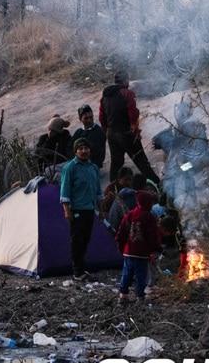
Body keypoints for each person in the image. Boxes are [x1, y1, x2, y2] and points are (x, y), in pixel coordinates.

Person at [100, 73, 157, 183]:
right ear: (125, 81)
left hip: (111, 133)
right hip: (125, 132)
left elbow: (102, 117)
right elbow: (133, 114)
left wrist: (107, 131)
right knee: (140, 160)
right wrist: (135, 131)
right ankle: (156, 184)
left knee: (116, 163)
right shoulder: (127, 93)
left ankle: (113, 188)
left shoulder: (105, 96)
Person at [58, 137, 102, 280]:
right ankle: (77, 272)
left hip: (89, 209)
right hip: (76, 210)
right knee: (77, 241)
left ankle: (82, 269)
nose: (84, 151)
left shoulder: (93, 168)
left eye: (86, 148)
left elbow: (98, 191)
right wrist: (67, 210)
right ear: (76, 151)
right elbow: (64, 191)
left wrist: (101, 209)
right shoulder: (70, 168)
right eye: (80, 149)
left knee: (86, 240)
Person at [116, 189, 162, 303]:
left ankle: (123, 295)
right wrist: (156, 248)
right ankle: (140, 297)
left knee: (127, 274)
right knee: (141, 276)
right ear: (148, 203)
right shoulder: (149, 217)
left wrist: (121, 246)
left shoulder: (130, 214)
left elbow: (122, 232)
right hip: (141, 254)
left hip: (128, 251)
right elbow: (152, 236)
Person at [71, 104, 106, 168]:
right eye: (86, 118)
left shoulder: (99, 132)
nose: (89, 120)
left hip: (92, 165)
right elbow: (70, 147)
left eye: (91, 117)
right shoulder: (79, 132)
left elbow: (97, 154)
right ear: (80, 119)